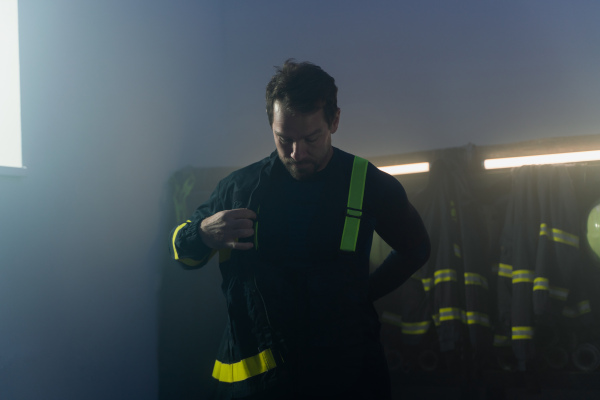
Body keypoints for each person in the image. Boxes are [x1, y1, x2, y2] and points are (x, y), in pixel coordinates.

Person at [169, 59, 430, 400]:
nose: (297, 153)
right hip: (259, 387)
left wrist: (361, 293)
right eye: (284, 139)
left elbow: (416, 249)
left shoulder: (369, 185)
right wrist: (202, 233)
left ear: (334, 121)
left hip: (347, 380)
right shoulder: (238, 188)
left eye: (311, 138)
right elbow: (183, 257)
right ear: (271, 126)